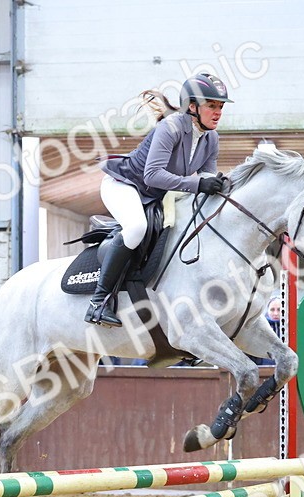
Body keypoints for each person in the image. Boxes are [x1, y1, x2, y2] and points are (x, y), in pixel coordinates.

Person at [85, 72, 233, 327]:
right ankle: (98, 303)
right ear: (193, 107)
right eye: (212, 105)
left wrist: (221, 185)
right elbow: (152, 175)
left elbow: (207, 175)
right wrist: (199, 184)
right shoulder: (171, 127)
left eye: (220, 106)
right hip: (124, 184)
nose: (218, 112)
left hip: (154, 194)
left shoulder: (212, 138)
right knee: (136, 228)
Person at [253, 295, 283, 365]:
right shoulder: (259, 329)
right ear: (267, 311)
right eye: (272, 309)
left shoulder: (290, 329)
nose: (275, 313)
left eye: (279, 310)